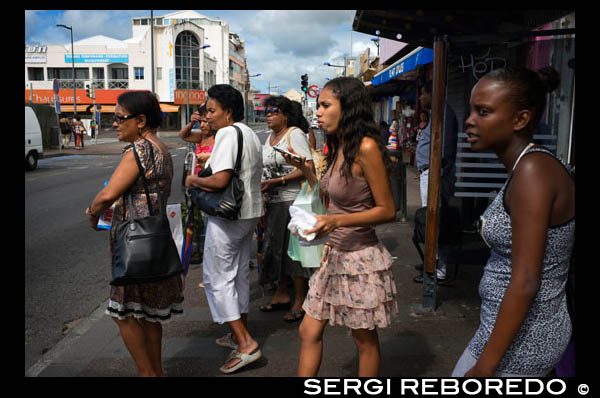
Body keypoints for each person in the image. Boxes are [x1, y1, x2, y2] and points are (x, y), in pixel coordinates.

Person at [452, 66, 574, 377]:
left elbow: (525, 280)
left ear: (521, 119)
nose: (469, 120)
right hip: (504, 330)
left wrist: (484, 369)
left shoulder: (533, 173)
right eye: (471, 110)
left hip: (524, 340)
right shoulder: (527, 167)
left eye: (483, 111)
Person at [283, 77, 398, 377]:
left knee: (364, 340)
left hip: (360, 260)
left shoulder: (366, 147)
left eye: (325, 105)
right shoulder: (336, 147)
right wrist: (307, 170)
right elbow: (329, 195)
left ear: (347, 108)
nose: (318, 112)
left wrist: (335, 221)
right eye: (318, 105)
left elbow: (387, 210)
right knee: (308, 330)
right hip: (332, 254)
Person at [85, 91, 183, 377]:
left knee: (124, 314)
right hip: (155, 239)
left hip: (132, 243)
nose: (114, 124)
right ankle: (157, 371)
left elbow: (108, 194)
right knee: (151, 315)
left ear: (140, 121)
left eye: (119, 118)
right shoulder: (161, 147)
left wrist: (92, 213)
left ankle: (146, 373)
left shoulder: (138, 150)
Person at [184, 84, 264, 374]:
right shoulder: (250, 133)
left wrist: (194, 181)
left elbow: (219, 181)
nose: (208, 116)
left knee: (218, 278)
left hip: (229, 216)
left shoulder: (228, 133)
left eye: (212, 110)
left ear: (228, 112)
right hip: (249, 214)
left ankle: (245, 343)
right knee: (239, 275)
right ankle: (237, 331)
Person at [258, 95, 315, 322]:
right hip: (272, 202)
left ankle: (300, 299)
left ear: (286, 115)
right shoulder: (270, 137)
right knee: (275, 249)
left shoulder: (295, 134)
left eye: (274, 112)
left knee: (293, 253)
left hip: (292, 201)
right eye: (267, 112)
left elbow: (307, 167)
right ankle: (282, 294)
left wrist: (278, 182)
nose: (269, 116)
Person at [413, 80, 458, 283]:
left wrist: (435, 173)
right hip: (429, 172)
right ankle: (433, 261)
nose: (421, 98)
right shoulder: (437, 114)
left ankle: (438, 268)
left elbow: (445, 148)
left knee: (435, 220)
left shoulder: (444, 114)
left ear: (432, 94)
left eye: (423, 94)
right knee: (430, 219)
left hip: (435, 174)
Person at [179, 105, 216, 288]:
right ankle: (208, 271)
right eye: (200, 122)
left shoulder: (219, 139)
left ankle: (210, 275)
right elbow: (183, 135)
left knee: (210, 232)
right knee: (201, 232)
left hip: (211, 189)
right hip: (197, 189)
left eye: (204, 121)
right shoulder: (201, 138)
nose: (202, 125)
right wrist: (191, 121)